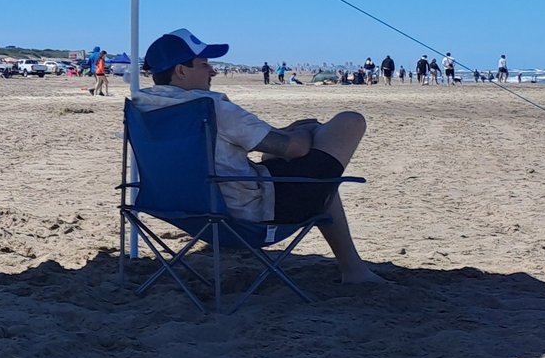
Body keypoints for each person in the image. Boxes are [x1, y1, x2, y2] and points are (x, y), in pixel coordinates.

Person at [131, 28, 383, 284]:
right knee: (350, 122)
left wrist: (284, 132)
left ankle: (354, 269)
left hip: (182, 210)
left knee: (307, 176)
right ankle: (353, 270)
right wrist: (306, 130)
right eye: (205, 64)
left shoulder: (142, 108)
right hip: (246, 217)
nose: (213, 72)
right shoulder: (209, 107)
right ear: (181, 71)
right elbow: (296, 149)